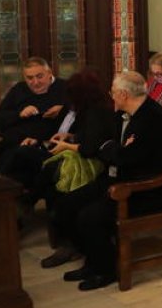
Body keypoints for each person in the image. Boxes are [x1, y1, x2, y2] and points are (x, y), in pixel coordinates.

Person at [57, 71, 162, 290]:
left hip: (143, 189)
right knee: (67, 204)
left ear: (123, 94)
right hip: (118, 178)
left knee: (89, 216)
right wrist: (111, 149)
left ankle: (105, 270)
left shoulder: (152, 118)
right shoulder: (122, 113)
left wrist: (110, 149)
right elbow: (108, 148)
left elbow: (125, 157)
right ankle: (92, 260)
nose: (110, 96)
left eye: (113, 92)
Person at [36, 70, 118, 268]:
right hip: (95, 160)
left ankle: (71, 242)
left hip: (98, 165)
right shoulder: (93, 109)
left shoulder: (97, 112)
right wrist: (70, 137)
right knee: (46, 171)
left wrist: (66, 146)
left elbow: (90, 149)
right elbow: (87, 136)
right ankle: (67, 237)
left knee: (53, 177)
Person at [0, 56, 68, 158]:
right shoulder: (19, 89)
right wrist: (19, 114)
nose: (35, 82)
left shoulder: (65, 87)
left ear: (49, 73)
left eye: (39, 76)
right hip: (12, 139)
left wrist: (63, 109)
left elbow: (76, 116)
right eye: (30, 78)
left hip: (42, 143)